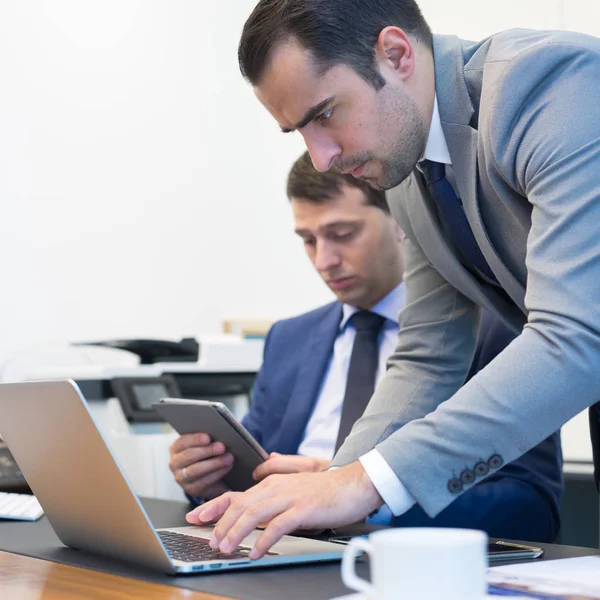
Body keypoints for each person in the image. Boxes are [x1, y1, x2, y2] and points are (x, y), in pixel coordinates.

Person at [186, 0, 600, 558]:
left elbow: (576, 335)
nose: (322, 157)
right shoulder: (406, 166)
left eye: (325, 114)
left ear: (396, 53)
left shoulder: (551, 86)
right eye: (298, 132)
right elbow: (428, 354)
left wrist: (365, 482)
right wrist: (330, 486)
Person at [174, 151, 561, 540]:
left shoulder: (498, 330)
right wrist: (214, 485)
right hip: (287, 553)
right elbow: (258, 476)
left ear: (402, 222)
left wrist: (364, 491)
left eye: (342, 234)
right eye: (308, 240)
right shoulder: (288, 339)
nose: (324, 260)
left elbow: (532, 509)